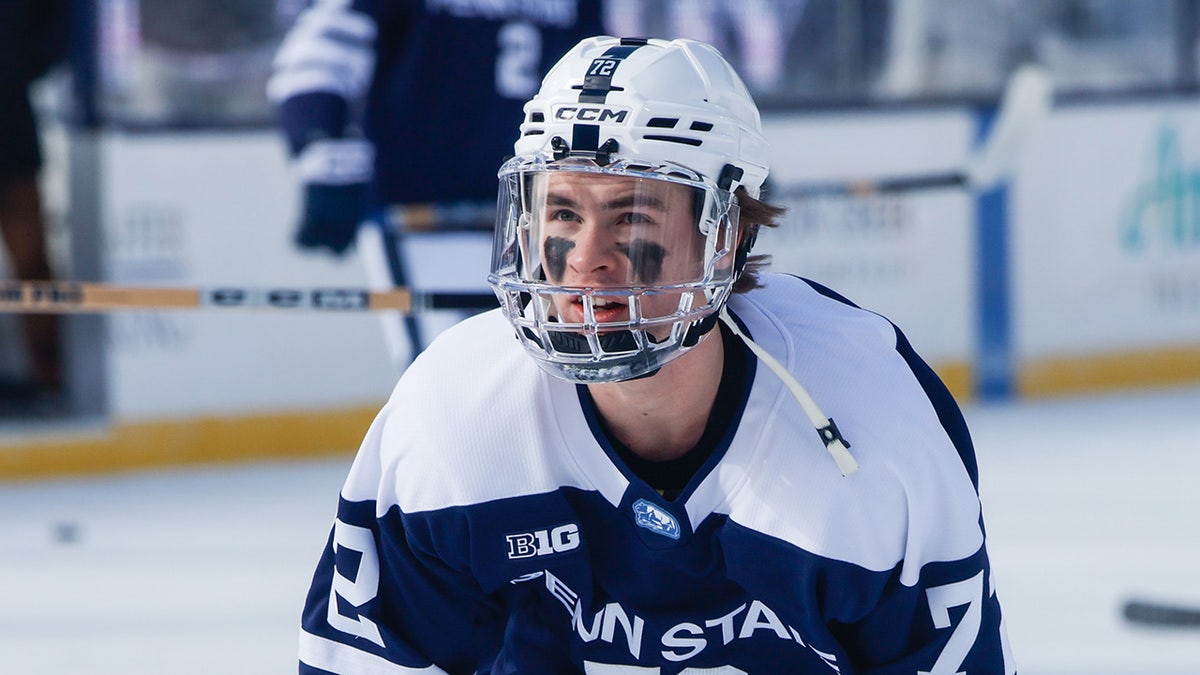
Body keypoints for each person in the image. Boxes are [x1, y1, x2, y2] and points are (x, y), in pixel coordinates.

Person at [298, 36, 1014, 673]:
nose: (586, 261)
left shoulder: (873, 422)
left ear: (727, 235)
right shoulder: (454, 418)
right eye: (563, 212)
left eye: (632, 215)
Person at [267, 0, 607, 361]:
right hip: (425, 215)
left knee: (556, 367)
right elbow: (318, 56)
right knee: (446, 373)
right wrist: (321, 143)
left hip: (541, 215)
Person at [0, 0, 70, 409]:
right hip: (15, 123)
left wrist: (15, 72)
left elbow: (57, 29)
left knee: (33, 265)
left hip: (12, 134)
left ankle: (49, 379)